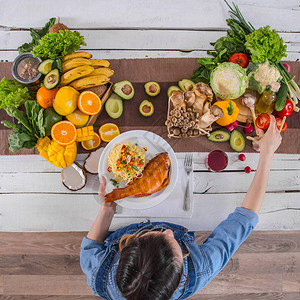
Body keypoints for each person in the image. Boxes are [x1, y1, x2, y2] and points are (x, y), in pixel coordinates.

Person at [80, 115, 282, 300]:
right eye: (174, 244)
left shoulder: (99, 274)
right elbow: (245, 220)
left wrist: (107, 210)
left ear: (128, 247)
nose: (169, 232)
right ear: (179, 277)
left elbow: (90, 248)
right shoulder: (200, 269)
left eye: (158, 235)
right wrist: (267, 154)